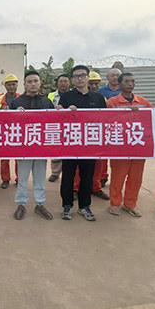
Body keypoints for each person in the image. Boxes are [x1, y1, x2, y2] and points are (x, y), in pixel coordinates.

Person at [58, 65, 107, 221]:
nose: (79, 79)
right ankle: (67, 205)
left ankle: (84, 206)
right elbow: (59, 119)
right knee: (68, 176)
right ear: (72, 80)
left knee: (87, 177)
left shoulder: (98, 98)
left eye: (82, 75)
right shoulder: (66, 97)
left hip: (90, 144)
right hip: (70, 143)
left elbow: (105, 120)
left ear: (88, 77)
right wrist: (64, 111)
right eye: (76, 76)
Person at [106, 73, 153, 217]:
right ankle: (115, 204)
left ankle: (130, 204)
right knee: (118, 177)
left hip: (138, 146)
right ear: (119, 84)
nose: (130, 84)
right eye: (126, 81)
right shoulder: (112, 102)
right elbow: (107, 121)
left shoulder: (142, 101)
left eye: (132, 81)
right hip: (120, 147)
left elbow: (154, 116)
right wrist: (128, 114)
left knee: (135, 178)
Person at [10, 71, 54, 220]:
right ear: (24, 84)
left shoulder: (47, 102)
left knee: (40, 178)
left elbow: (54, 122)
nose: (33, 84)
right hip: (24, 147)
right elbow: (8, 124)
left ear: (40, 83)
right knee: (22, 178)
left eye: (36, 81)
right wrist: (14, 114)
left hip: (41, 147)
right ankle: (21, 203)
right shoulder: (16, 102)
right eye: (30, 81)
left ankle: (39, 204)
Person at [0, 73, 20, 188]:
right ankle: (5, 179)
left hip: (18, 131)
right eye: (9, 84)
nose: (11, 87)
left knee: (18, 158)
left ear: (17, 85)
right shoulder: (0, 99)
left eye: (13, 84)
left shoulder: (22, 98)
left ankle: (19, 179)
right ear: (5, 86)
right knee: (4, 158)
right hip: (4, 131)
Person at [47, 73, 71, 182]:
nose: (63, 83)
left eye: (65, 81)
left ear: (69, 83)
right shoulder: (50, 96)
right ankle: (55, 173)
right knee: (56, 151)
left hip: (70, 127)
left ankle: (67, 173)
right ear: (57, 83)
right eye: (61, 81)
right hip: (55, 126)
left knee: (69, 151)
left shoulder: (74, 94)